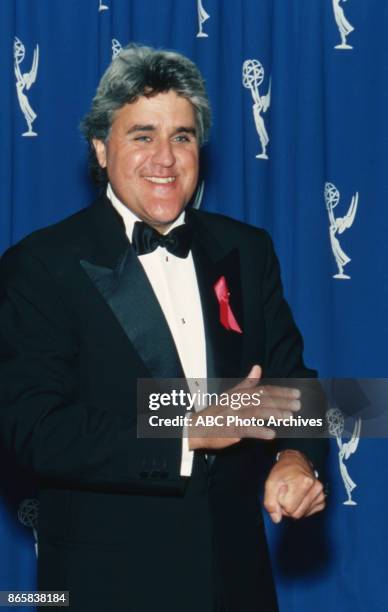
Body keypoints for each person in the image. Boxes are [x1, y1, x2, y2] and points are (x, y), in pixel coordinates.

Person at [0, 44, 327, 612]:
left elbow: (292, 383)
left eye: (182, 136)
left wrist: (293, 458)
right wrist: (185, 431)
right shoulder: (40, 265)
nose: (166, 158)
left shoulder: (246, 250)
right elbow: (32, 428)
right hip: (104, 586)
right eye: (142, 135)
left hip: (238, 583)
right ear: (101, 148)